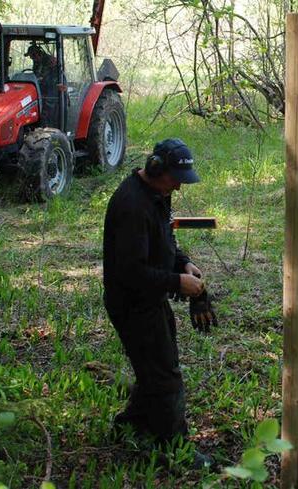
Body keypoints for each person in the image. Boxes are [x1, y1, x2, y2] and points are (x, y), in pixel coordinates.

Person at [102, 138, 217, 469]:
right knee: (165, 375)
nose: (179, 189)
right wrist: (176, 282)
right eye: (175, 180)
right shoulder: (131, 206)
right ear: (155, 169)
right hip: (132, 304)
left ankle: (132, 424)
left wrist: (182, 263)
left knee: (155, 368)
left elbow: (165, 240)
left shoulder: (156, 195)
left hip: (150, 299)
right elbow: (131, 272)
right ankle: (175, 446)